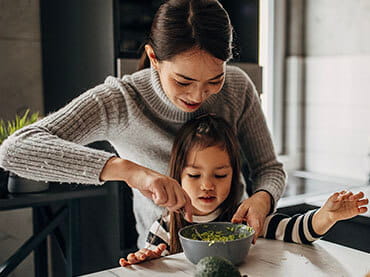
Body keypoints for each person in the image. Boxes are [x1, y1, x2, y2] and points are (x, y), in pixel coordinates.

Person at [0, 0, 286, 248]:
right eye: (183, 81)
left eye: (214, 80)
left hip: (239, 246)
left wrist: (262, 198)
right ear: (154, 58)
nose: (199, 95)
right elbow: (14, 150)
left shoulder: (237, 87)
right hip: (162, 256)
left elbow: (269, 169)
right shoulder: (119, 100)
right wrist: (127, 171)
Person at [119, 114, 368, 266]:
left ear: (235, 175)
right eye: (194, 175)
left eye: (220, 175)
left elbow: (295, 231)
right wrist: (145, 260)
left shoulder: (243, 219)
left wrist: (326, 216)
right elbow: (150, 258)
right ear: (177, 176)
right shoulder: (165, 226)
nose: (207, 184)